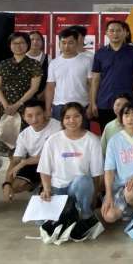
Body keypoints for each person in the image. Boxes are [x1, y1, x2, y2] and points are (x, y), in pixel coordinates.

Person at [37, 102, 104, 238]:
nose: (72, 120)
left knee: (83, 180)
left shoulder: (92, 140)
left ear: (83, 118)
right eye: (67, 117)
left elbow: (96, 175)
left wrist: (93, 198)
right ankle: (71, 213)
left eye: (76, 116)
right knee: (41, 221)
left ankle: (86, 216)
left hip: (79, 189)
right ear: (62, 120)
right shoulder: (53, 140)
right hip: (58, 189)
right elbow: (44, 170)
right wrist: (46, 189)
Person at [0, 32, 44, 154]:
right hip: (6, 109)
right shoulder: (4, 64)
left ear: (27, 44)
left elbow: (34, 88)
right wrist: (6, 105)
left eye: (22, 43)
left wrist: (17, 105)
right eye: (14, 43)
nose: (18, 46)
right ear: (10, 45)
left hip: (26, 109)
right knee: (7, 143)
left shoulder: (34, 64)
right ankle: (13, 165)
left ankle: (20, 165)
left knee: (24, 146)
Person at [2, 100, 62, 202]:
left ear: (45, 113)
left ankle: (44, 185)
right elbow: (15, 160)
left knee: (51, 194)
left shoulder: (58, 127)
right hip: (35, 164)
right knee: (14, 187)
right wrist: (7, 183)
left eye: (38, 114)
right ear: (24, 117)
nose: (34, 119)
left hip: (55, 164)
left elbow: (57, 155)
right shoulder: (24, 135)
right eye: (29, 115)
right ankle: (36, 183)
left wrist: (25, 162)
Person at [90, 20, 133, 129]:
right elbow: (95, 80)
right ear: (106, 33)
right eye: (112, 31)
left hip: (127, 103)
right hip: (105, 102)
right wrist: (93, 102)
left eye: (119, 30)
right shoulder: (100, 53)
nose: (115, 33)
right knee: (107, 132)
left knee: (128, 133)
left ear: (125, 33)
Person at [45, 28, 93, 124]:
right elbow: (50, 87)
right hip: (59, 106)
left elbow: (91, 85)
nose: (66, 46)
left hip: (82, 105)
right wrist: (47, 108)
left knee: (81, 132)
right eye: (63, 43)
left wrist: (91, 106)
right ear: (59, 44)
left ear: (77, 43)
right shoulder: (54, 63)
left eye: (70, 43)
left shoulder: (87, 61)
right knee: (59, 132)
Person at [27, 30, 49, 100]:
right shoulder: (21, 57)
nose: (35, 42)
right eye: (32, 39)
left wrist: (42, 95)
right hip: (22, 98)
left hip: (42, 97)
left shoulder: (48, 58)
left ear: (42, 42)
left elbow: (50, 81)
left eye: (38, 39)